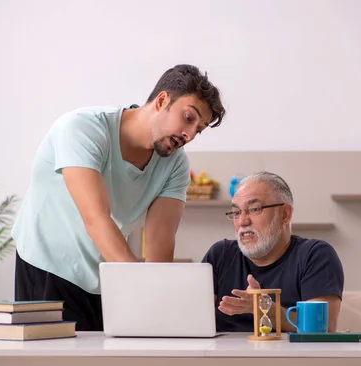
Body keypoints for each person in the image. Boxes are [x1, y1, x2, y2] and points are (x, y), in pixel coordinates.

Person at [12, 64, 226, 331]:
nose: (190, 134)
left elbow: (161, 242)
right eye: (188, 117)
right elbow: (96, 218)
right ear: (161, 101)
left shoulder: (176, 165)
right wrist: (139, 288)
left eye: (199, 129)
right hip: (49, 266)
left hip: (108, 275)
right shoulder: (83, 128)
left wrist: (160, 304)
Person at [202, 171, 344, 333]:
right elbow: (194, 317)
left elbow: (322, 328)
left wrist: (263, 307)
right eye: (236, 212)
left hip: (290, 357)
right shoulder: (220, 254)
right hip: (220, 356)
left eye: (254, 209)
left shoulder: (315, 255)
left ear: (284, 214)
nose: (242, 221)